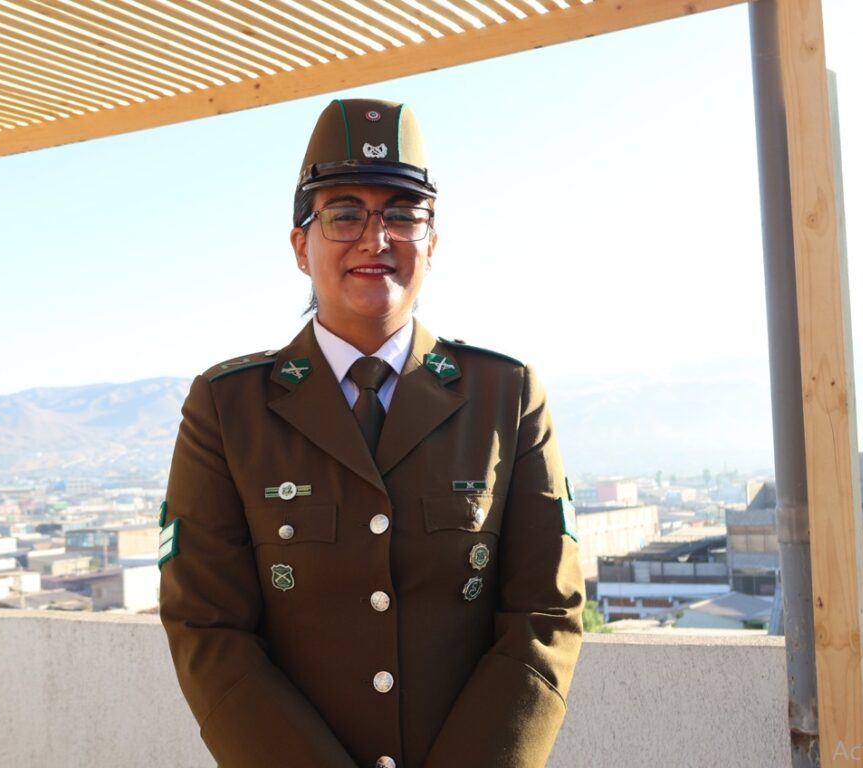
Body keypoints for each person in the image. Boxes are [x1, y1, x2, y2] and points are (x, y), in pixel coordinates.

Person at [159, 98, 584, 768]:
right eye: (345, 214)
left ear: (431, 245)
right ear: (301, 247)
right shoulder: (227, 408)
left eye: (403, 215)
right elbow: (207, 627)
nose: (376, 239)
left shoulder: (506, 396)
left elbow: (546, 612)